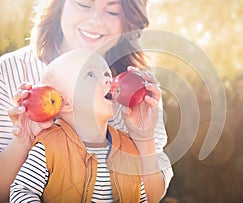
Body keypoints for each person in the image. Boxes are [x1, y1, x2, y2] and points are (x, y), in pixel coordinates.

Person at [0, 0, 173, 202]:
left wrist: (144, 141)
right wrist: (22, 142)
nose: (95, 20)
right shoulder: (9, 72)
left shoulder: (140, 90)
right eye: (83, 4)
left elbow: (150, 197)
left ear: (127, 19)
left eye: (112, 11)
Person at [10, 48, 163, 202]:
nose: (108, 80)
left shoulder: (129, 149)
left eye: (107, 74)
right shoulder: (49, 146)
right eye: (90, 75)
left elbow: (141, 198)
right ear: (63, 102)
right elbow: (22, 191)